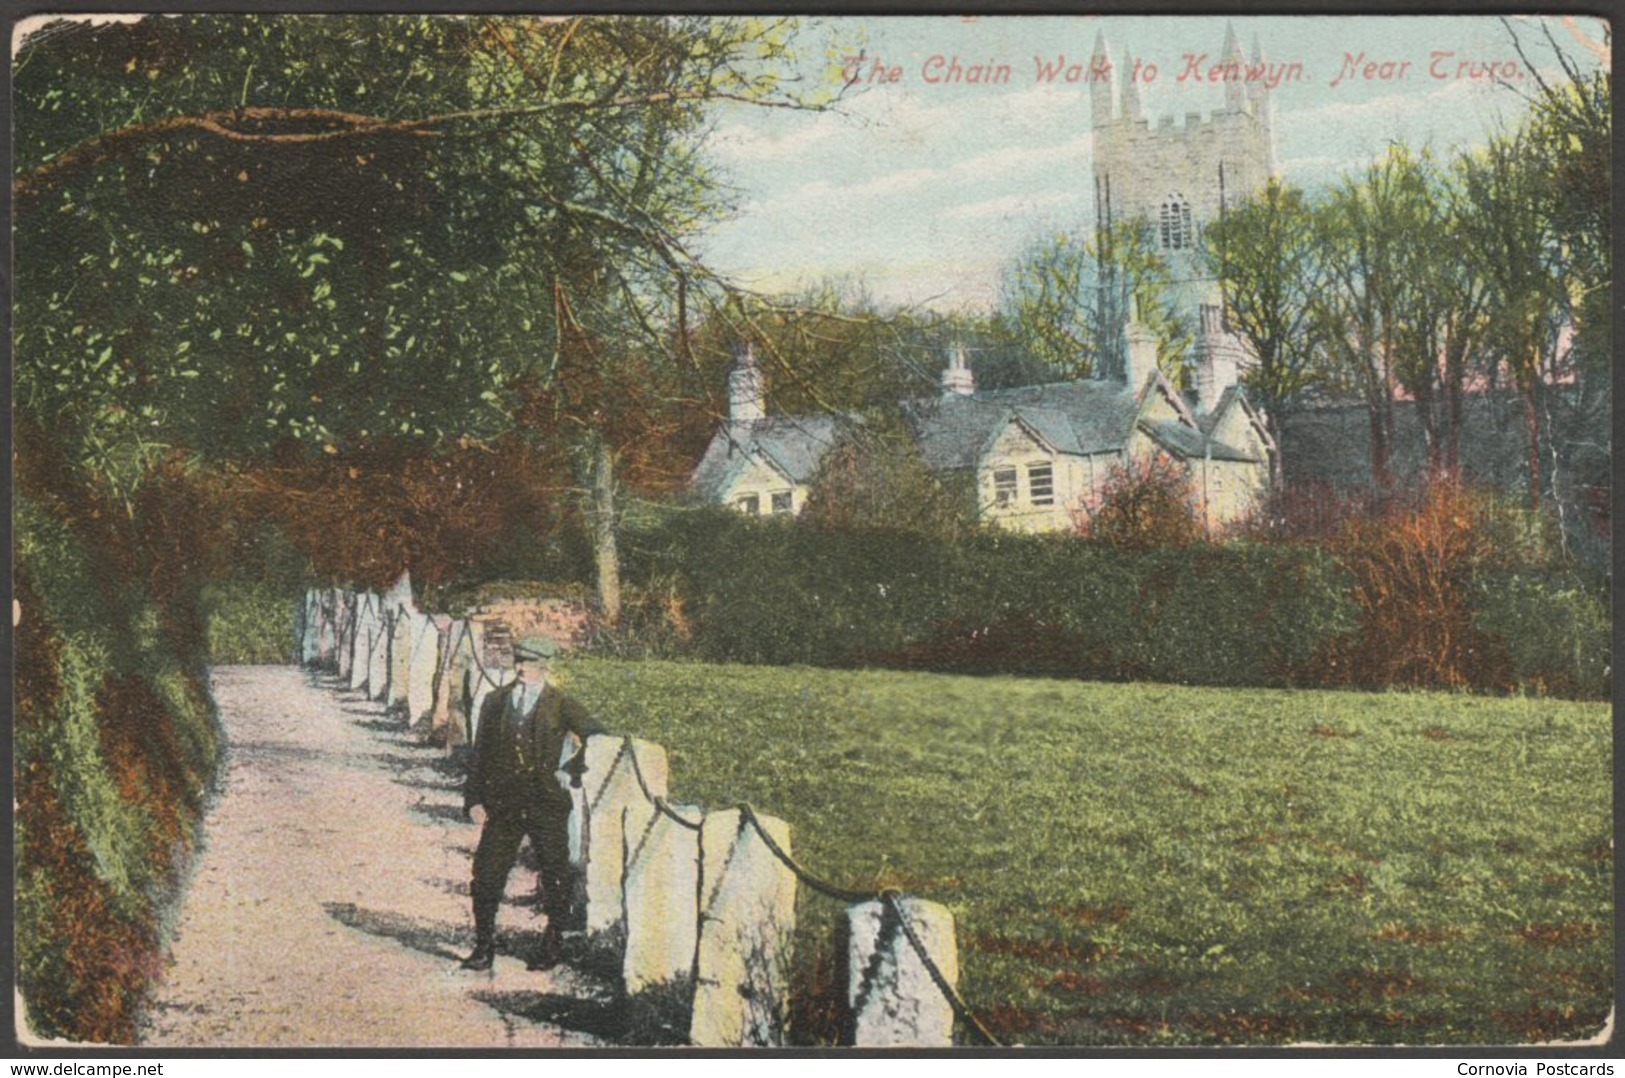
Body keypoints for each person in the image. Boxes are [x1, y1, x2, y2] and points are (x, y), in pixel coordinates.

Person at [460, 635, 605, 972]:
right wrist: (474, 800)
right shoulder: (496, 701)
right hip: (504, 805)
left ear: (545, 666)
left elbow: (597, 735)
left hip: (547, 804)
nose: (523, 668)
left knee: (555, 875)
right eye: (519, 661)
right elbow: (479, 754)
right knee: (486, 874)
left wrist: (569, 769)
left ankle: (552, 943)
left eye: (532, 663)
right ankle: (483, 947)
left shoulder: (561, 703)